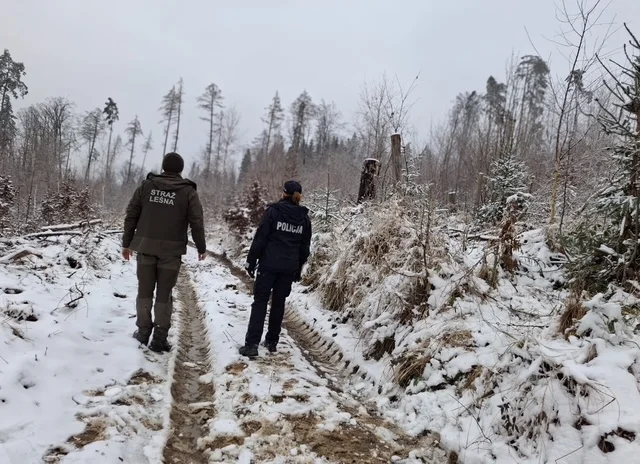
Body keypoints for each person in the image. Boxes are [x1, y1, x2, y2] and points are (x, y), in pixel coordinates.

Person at [122, 152, 207, 353]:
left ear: (163, 167)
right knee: (164, 294)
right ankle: (159, 339)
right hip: (171, 251)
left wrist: (127, 244)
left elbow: (131, 214)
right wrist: (201, 247)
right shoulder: (188, 192)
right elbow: (197, 222)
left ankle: (143, 333)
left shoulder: (146, 186)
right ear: (180, 169)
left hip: (146, 249)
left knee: (144, 291)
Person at [239, 180, 312, 358]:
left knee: (260, 302)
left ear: (283, 193)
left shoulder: (273, 212)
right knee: (279, 303)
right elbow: (304, 248)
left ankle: (252, 345)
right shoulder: (304, 219)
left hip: (268, 266)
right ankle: (272, 341)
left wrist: (251, 260)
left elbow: (260, 239)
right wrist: (298, 268)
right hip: (288, 269)